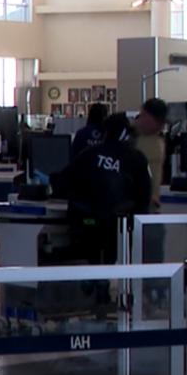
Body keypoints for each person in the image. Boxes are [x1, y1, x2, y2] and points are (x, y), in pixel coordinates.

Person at [57, 113, 152, 265]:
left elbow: (63, 181)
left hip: (86, 223)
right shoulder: (137, 158)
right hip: (118, 227)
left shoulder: (90, 153)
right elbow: (144, 197)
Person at [133, 98, 168, 210]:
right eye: (159, 121)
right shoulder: (130, 138)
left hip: (151, 205)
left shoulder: (158, 140)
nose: (162, 126)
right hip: (136, 205)